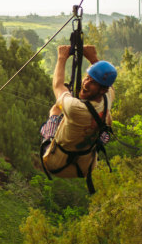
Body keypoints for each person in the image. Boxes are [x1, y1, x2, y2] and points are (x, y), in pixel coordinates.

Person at [40, 45, 117, 183]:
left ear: (102, 90)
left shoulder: (76, 108)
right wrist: (94, 59)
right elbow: (109, 85)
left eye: (93, 83)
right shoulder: (108, 98)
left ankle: (50, 133)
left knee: (55, 111)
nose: (86, 84)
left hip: (56, 163)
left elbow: (58, 85)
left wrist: (62, 57)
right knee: (104, 127)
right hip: (85, 166)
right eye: (87, 78)